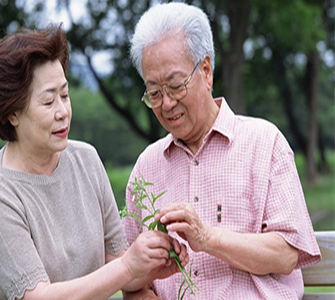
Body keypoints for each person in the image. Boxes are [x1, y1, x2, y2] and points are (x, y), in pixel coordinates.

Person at [0, 24, 189, 300]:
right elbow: (39, 297)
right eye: (49, 102)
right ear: (12, 113)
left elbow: (116, 261)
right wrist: (127, 266)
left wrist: (154, 262)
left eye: (65, 95)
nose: (63, 112)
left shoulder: (86, 160)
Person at [123, 3, 321, 299]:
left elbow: (287, 254)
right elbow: (132, 281)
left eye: (175, 86)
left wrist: (207, 238)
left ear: (206, 71)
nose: (166, 104)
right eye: (154, 93)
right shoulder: (146, 167)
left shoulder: (264, 143)